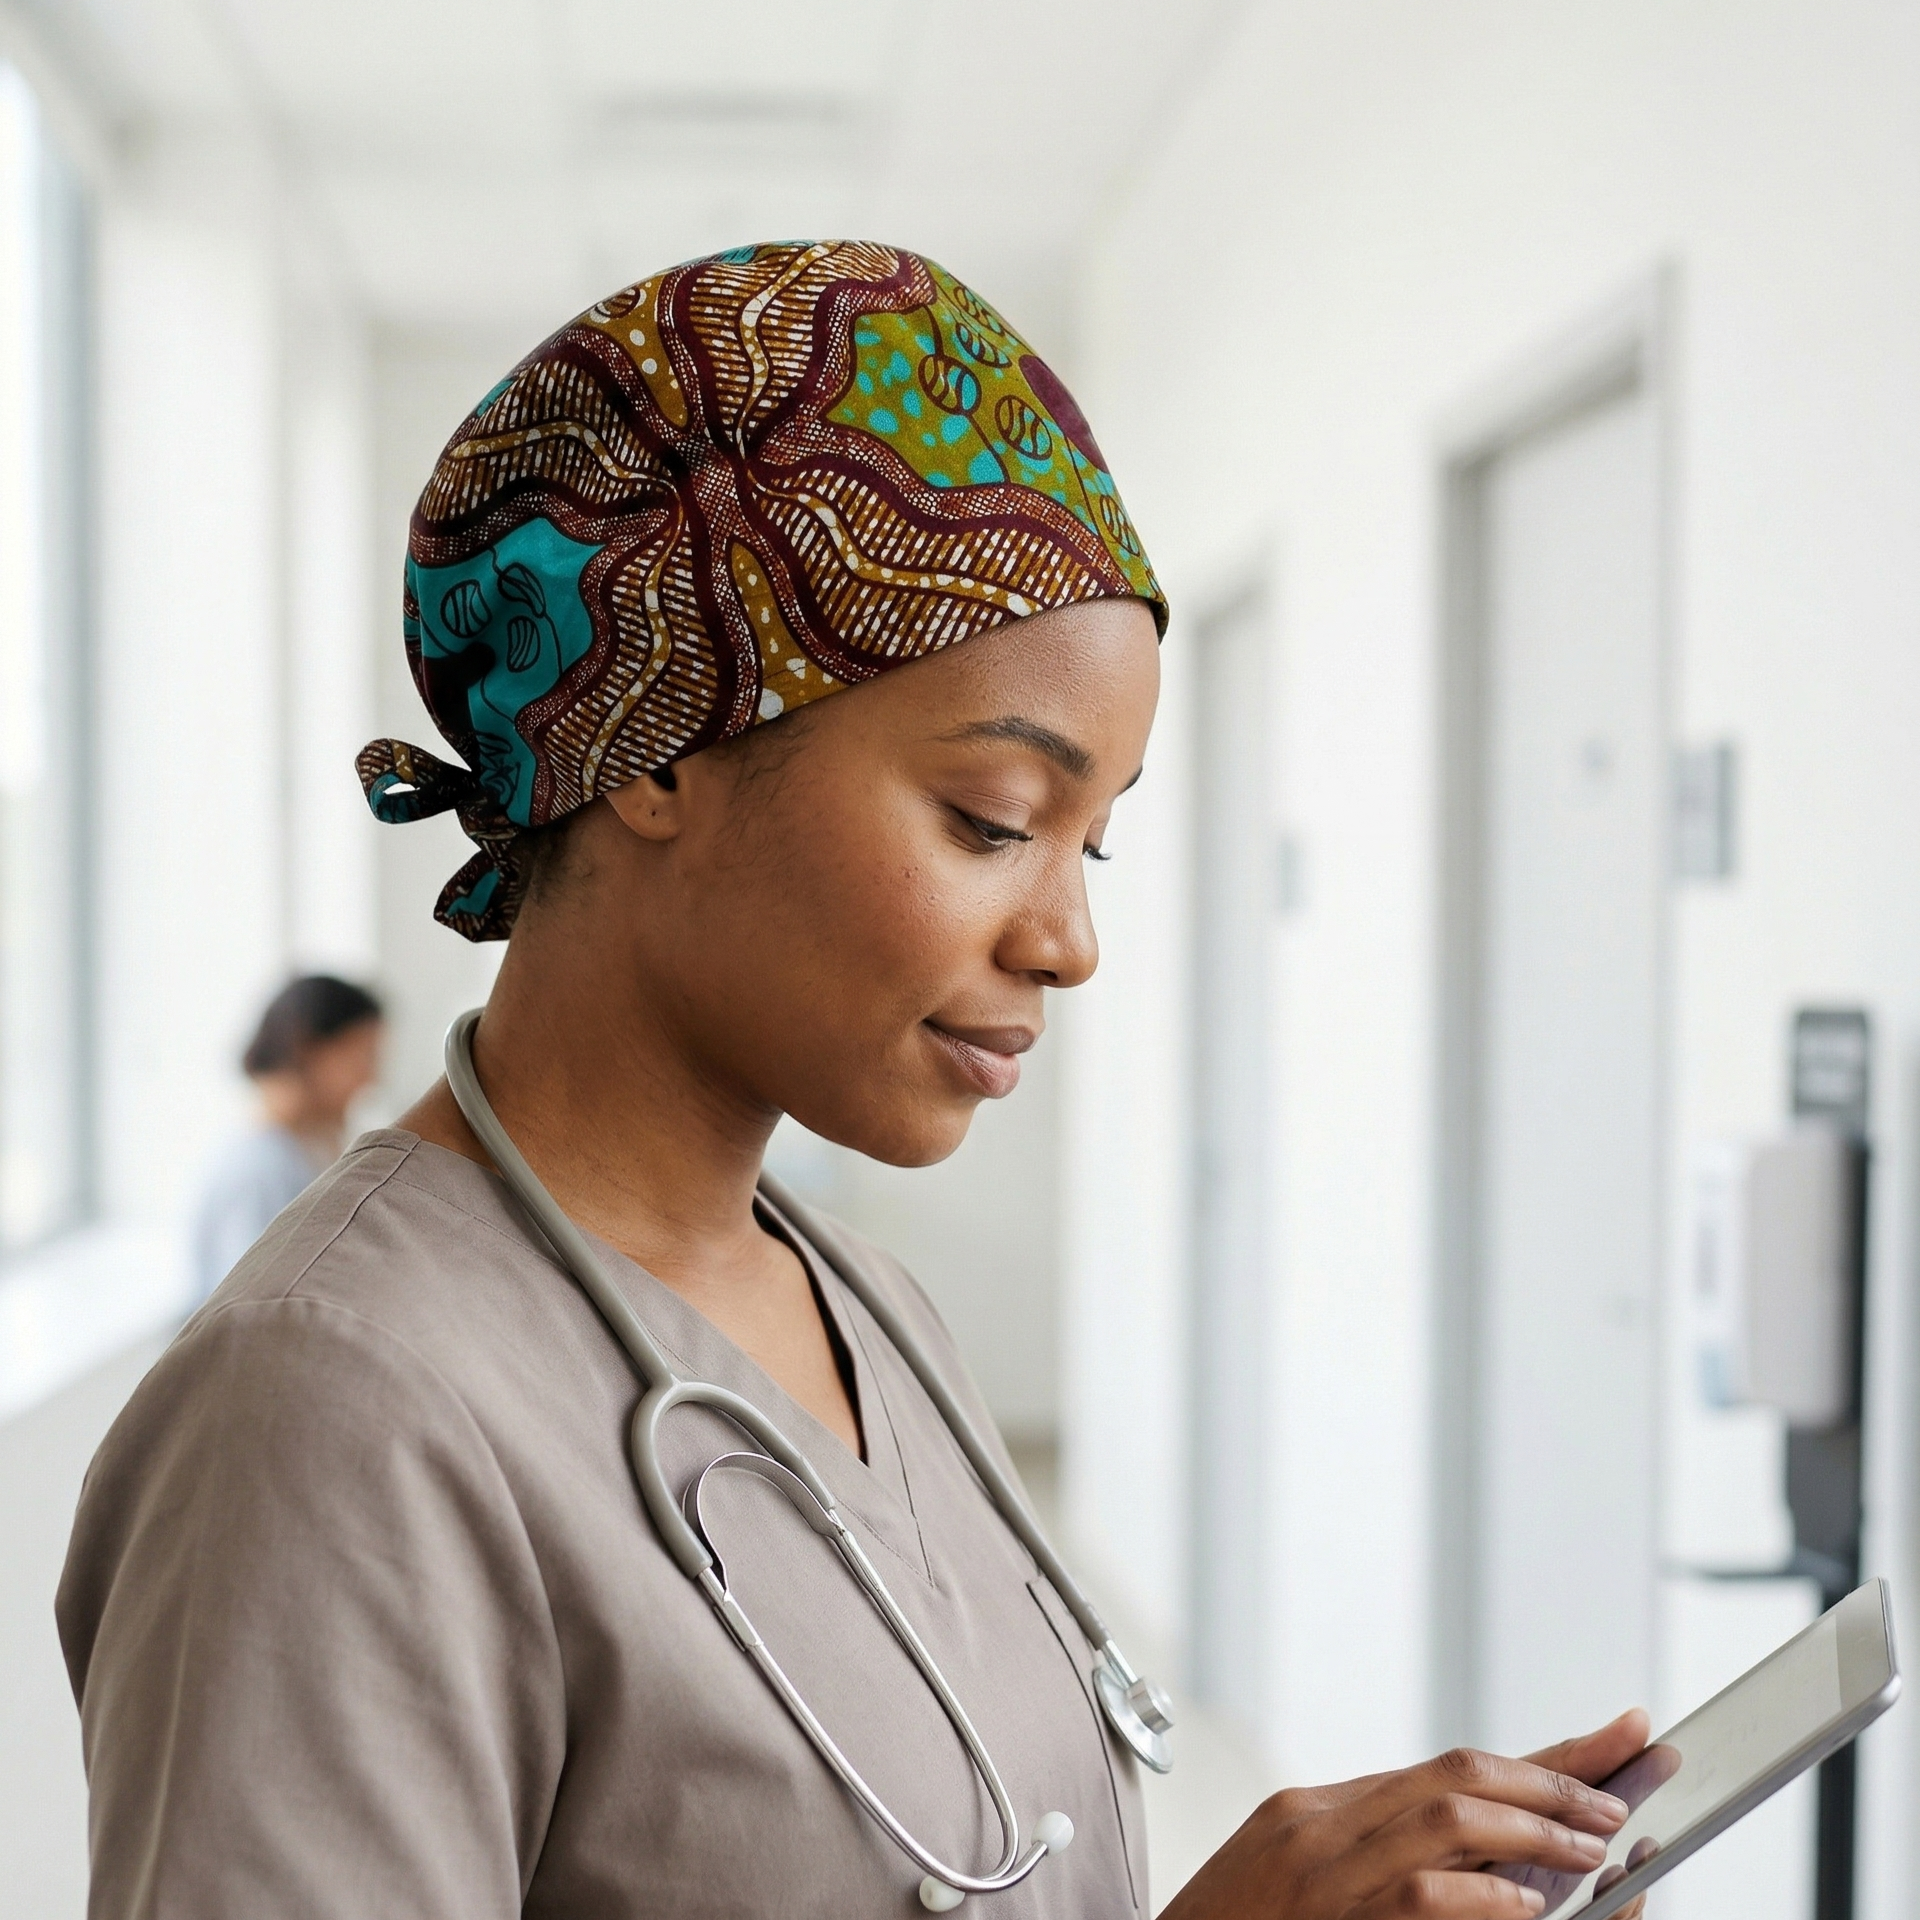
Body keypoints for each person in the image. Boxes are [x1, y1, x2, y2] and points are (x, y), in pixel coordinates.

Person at [59, 242, 1647, 1918]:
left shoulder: (869, 1310)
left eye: (1093, 842)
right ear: (656, 748)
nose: (1070, 941)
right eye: (991, 822)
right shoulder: (332, 1420)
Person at [185, 974, 384, 1304]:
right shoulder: (259, 1172)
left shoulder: (306, 1150)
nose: (371, 1077)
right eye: (364, 1055)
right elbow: (254, 1311)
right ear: (310, 1051)